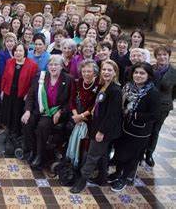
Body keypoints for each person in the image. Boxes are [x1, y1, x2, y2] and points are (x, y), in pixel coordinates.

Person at [71, 60, 123, 193]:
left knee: (92, 155)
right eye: (104, 70)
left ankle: (82, 181)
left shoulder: (115, 90)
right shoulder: (102, 86)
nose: (106, 72)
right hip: (98, 125)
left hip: (104, 129)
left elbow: (112, 115)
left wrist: (101, 132)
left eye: (109, 70)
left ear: (115, 73)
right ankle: (102, 178)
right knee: (104, 154)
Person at [109, 62, 160, 192]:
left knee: (133, 156)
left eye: (142, 73)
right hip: (124, 126)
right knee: (120, 151)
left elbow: (154, 115)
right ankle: (117, 172)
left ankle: (124, 178)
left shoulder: (152, 92)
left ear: (148, 75)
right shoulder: (127, 87)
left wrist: (135, 115)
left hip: (139, 131)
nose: (138, 75)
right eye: (136, 72)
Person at [21, 55, 73, 169]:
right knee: (26, 122)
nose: (53, 67)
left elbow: (70, 101)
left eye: (56, 65)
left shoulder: (68, 79)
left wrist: (60, 111)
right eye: (51, 64)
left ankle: (40, 155)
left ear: (61, 66)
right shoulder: (41, 76)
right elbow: (30, 95)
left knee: (42, 126)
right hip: (38, 108)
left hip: (54, 112)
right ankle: (33, 151)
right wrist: (28, 111)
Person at [0, 43, 38, 155]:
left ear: (25, 52)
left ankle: (15, 136)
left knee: (17, 114)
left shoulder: (32, 65)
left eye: (20, 51)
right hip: (8, 92)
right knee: (8, 113)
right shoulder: (9, 62)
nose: (18, 53)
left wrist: (28, 94)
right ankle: (8, 134)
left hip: (22, 95)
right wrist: (2, 90)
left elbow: (33, 82)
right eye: (16, 51)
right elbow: (5, 77)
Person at [146, 46, 176, 166]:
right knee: (146, 128)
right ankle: (140, 151)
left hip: (163, 106)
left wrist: (168, 100)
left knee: (155, 130)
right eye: (159, 55)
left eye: (164, 55)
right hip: (148, 104)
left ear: (169, 56)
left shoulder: (174, 73)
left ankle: (149, 153)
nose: (162, 57)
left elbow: (174, 92)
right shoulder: (151, 69)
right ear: (156, 56)